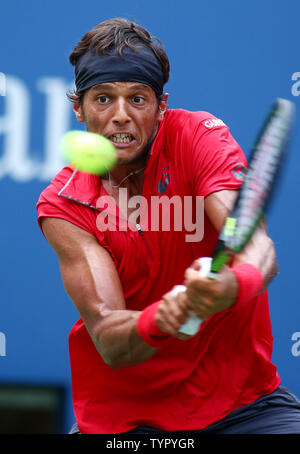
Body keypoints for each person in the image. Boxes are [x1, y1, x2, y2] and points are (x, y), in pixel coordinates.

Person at [36, 18, 300, 435]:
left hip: (245, 406)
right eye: (103, 98)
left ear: (161, 107)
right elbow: (110, 339)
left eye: (137, 99)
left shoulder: (198, 137)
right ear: (79, 108)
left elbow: (257, 245)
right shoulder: (64, 205)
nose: (120, 116)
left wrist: (233, 285)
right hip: (127, 423)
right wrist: (165, 317)